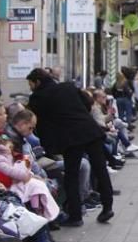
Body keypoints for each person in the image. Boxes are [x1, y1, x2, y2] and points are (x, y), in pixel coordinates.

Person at [25, 67, 114, 226]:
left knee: (72, 175)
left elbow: (39, 123)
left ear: (37, 82)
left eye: (30, 84)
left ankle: (76, 215)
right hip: (89, 130)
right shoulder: (67, 86)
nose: (30, 87)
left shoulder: (37, 98)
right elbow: (87, 102)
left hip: (70, 138)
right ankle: (107, 207)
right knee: (100, 169)